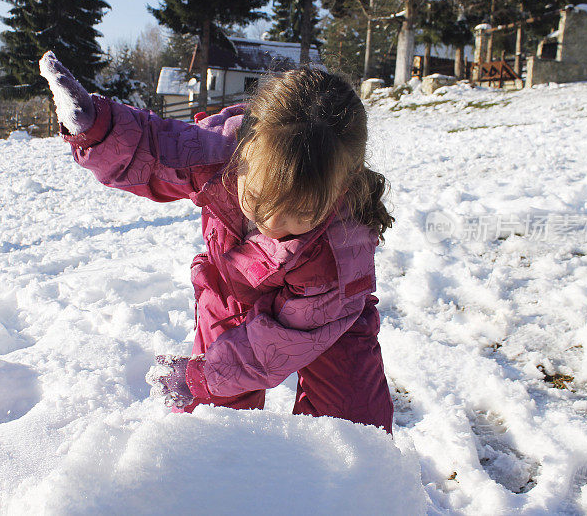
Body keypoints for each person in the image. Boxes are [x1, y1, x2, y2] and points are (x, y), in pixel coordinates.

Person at [39, 51, 395, 432]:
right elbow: (156, 149)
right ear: (242, 153)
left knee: (353, 421)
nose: (273, 224)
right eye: (258, 199)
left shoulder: (340, 252)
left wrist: (205, 375)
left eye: (301, 212)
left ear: (344, 183)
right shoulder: (224, 151)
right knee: (213, 408)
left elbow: (283, 342)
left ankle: (349, 482)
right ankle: (212, 466)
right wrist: (96, 128)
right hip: (232, 288)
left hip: (326, 314)